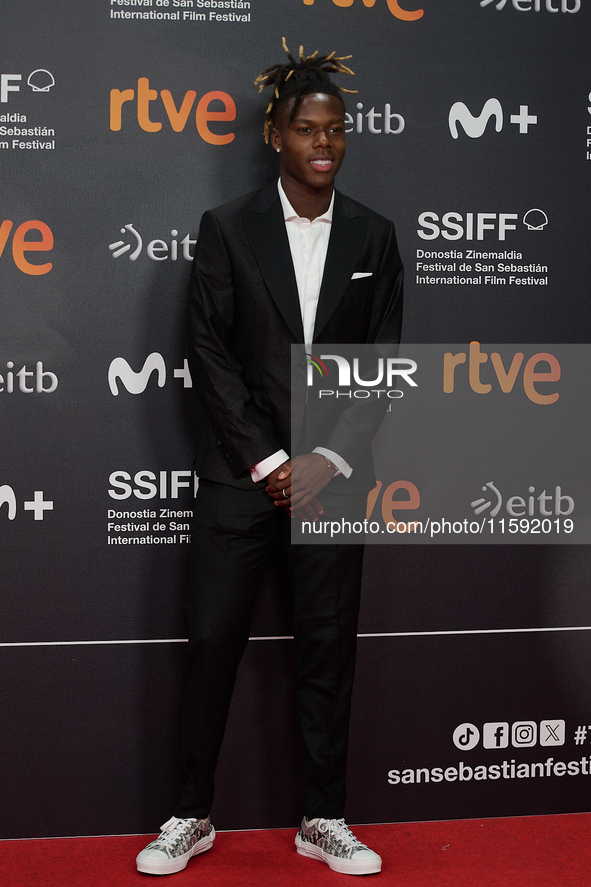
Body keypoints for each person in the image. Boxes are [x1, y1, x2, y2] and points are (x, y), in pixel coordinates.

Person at [136, 38, 403, 877]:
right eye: (307, 129)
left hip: (331, 481)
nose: (324, 144)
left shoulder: (376, 236)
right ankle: (191, 815)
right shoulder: (226, 229)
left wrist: (323, 458)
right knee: (212, 642)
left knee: (327, 649)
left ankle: (323, 816)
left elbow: (384, 366)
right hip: (237, 478)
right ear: (274, 135)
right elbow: (209, 353)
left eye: (336, 130)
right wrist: (268, 461)